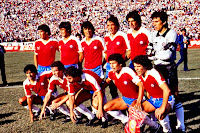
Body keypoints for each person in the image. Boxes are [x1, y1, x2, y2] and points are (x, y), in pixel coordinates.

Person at [148, 11, 185, 132]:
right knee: (155, 95)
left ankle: (181, 127)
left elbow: (168, 55)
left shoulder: (172, 33)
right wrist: (157, 55)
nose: (154, 24)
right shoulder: (153, 34)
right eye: (153, 21)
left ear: (164, 22)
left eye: (156, 21)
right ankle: (162, 126)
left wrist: (155, 54)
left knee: (175, 95)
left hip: (169, 68)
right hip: (157, 68)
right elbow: (148, 54)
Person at [133, 55, 175, 133]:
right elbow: (142, 86)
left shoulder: (153, 73)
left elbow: (167, 90)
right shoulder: (140, 74)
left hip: (167, 99)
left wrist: (162, 107)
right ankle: (155, 126)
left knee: (160, 114)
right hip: (154, 99)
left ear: (145, 66)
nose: (136, 69)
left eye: (139, 66)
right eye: (135, 66)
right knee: (136, 112)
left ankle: (167, 130)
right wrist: (139, 101)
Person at [102, 54, 145, 126]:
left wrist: (139, 101)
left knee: (137, 126)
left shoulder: (127, 71)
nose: (112, 66)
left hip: (136, 99)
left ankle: (155, 126)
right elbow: (107, 81)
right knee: (106, 107)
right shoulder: (112, 73)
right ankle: (125, 120)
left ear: (120, 63)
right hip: (125, 99)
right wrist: (99, 90)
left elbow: (141, 85)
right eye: (110, 64)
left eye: (114, 63)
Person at [104, 15, 131, 99]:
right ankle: (116, 105)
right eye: (108, 25)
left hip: (120, 65)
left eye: (112, 24)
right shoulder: (106, 37)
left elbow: (129, 50)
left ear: (116, 25)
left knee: (124, 85)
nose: (110, 27)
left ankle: (127, 103)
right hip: (109, 65)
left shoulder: (122, 35)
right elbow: (105, 51)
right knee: (111, 86)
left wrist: (122, 61)